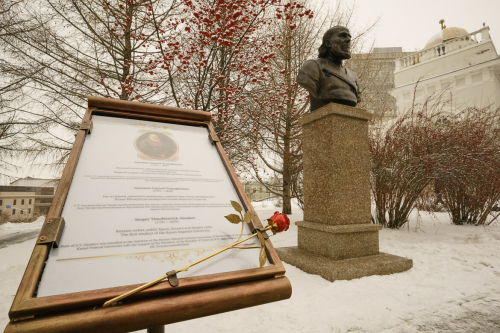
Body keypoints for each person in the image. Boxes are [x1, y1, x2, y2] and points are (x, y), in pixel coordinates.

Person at [297, 26, 361, 111]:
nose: (348, 40)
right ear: (328, 43)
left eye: (349, 37)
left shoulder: (354, 77)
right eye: (343, 36)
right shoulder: (313, 66)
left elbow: (358, 98)